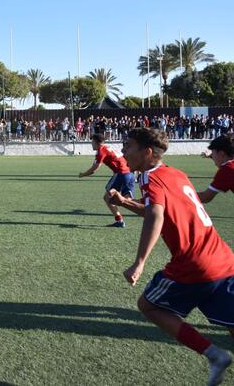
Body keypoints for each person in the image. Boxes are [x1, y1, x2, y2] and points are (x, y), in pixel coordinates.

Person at [108, 128, 234, 386]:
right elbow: (159, 209)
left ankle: (214, 355)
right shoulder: (175, 173)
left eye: (128, 146)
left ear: (147, 152)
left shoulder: (148, 178)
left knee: (148, 305)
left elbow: (156, 215)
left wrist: (139, 263)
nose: (123, 151)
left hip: (193, 264)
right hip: (223, 258)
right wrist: (125, 202)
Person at [78, 133, 135, 227]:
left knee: (107, 197)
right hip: (130, 173)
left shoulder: (101, 151)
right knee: (128, 200)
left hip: (121, 174)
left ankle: (119, 221)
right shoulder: (108, 148)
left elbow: (94, 169)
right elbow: (122, 158)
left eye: (92, 141)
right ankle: (147, 208)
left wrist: (83, 174)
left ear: (96, 142)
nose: (91, 143)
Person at [197, 134, 234, 204]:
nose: (212, 157)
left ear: (221, 154)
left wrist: (181, 195)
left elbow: (205, 197)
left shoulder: (227, 170)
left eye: (213, 153)